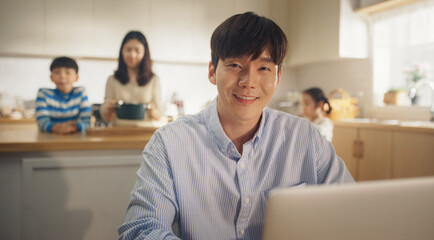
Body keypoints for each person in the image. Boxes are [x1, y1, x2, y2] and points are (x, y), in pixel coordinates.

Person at [118, 12, 354, 240]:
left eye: (263, 68)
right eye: (234, 65)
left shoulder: (306, 139)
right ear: (212, 71)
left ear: (278, 76)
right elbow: (142, 229)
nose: (248, 82)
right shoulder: (170, 143)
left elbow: (351, 212)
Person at [101, 31, 163, 126]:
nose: (132, 55)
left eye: (137, 50)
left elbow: (160, 114)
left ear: (144, 53)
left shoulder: (154, 80)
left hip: (146, 135)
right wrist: (109, 109)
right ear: (122, 51)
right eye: (128, 50)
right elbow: (105, 116)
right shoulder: (112, 79)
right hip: (118, 134)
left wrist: (152, 110)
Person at [35, 57, 91, 134]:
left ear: (76, 77)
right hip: (49, 139)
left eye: (67, 72)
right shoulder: (44, 93)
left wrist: (76, 126)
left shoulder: (80, 92)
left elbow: (87, 121)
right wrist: (57, 128)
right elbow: (42, 121)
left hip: (75, 138)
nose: (62, 76)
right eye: (57, 72)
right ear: (51, 77)